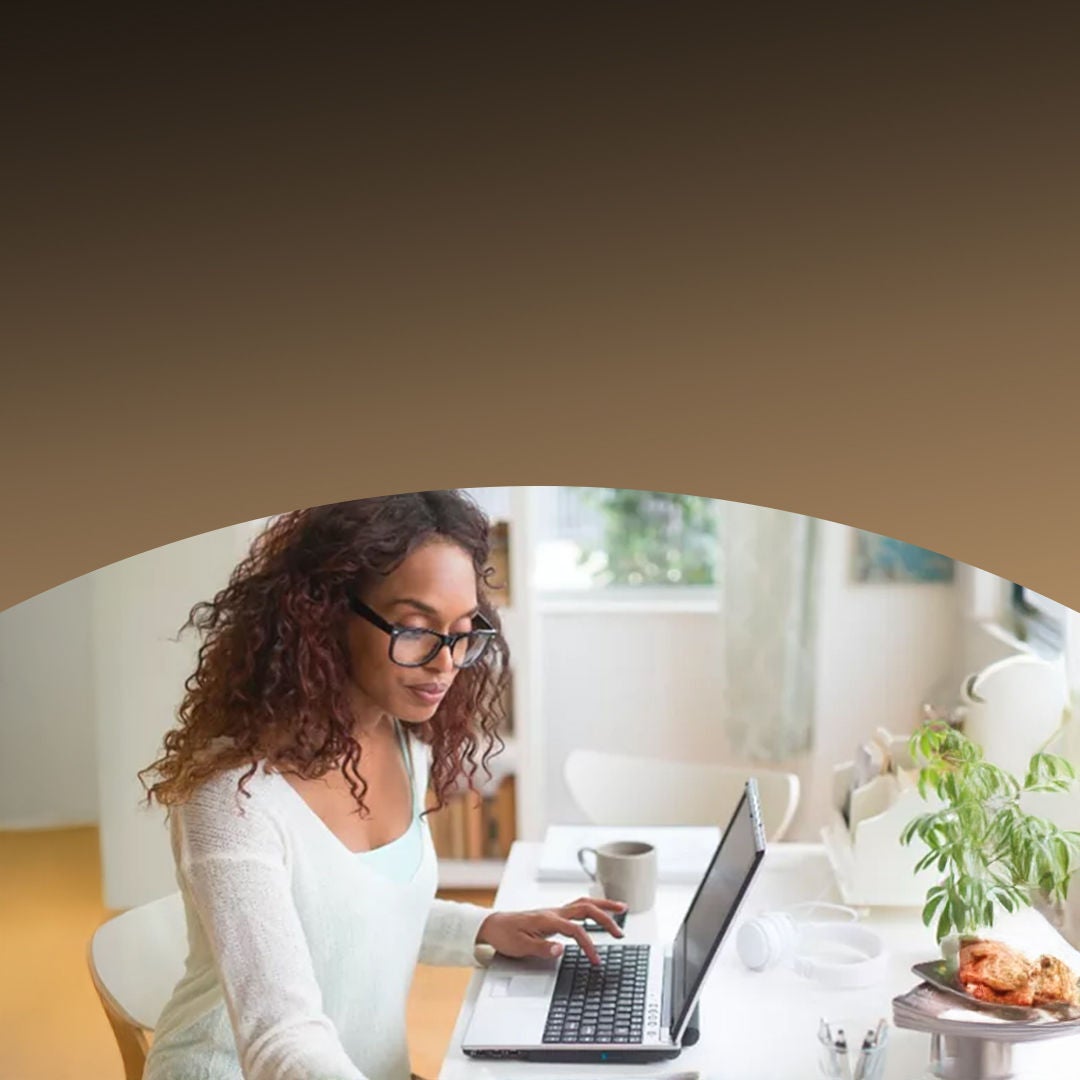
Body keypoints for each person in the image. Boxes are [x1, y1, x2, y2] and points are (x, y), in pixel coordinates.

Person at [139, 490, 625, 1080]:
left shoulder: (403, 743)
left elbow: (367, 916)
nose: (446, 663)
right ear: (324, 615)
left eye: (464, 632)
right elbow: (279, 1040)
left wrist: (488, 927)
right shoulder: (233, 797)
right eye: (417, 629)